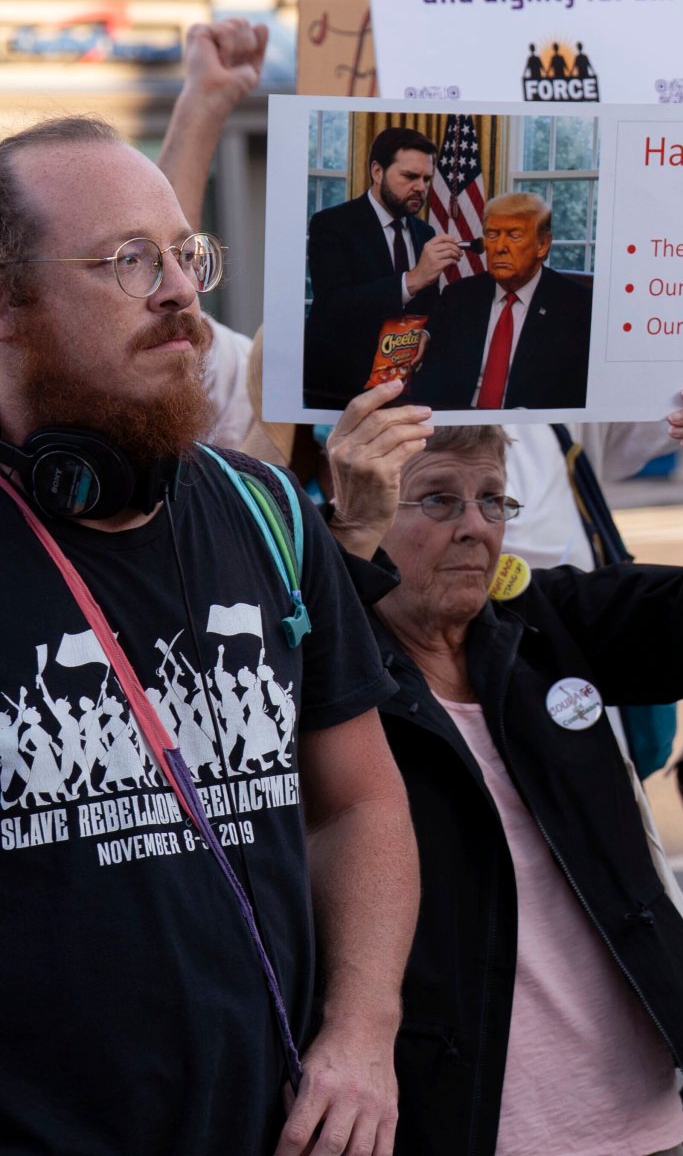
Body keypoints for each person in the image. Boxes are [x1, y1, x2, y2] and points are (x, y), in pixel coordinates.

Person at [0, 116, 416, 1155]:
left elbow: (359, 802)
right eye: (127, 261)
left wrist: (363, 1033)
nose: (182, 292)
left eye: (186, 254)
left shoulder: (268, 514)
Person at [319, 378, 683, 1156]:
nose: (475, 528)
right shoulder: (335, 667)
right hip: (457, 1117)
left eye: (493, 500)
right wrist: (342, 542)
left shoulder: (538, 623)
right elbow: (296, 668)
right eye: (438, 501)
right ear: (368, 508)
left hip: (633, 1115)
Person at [305, 123, 458, 408]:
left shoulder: (425, 233)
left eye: (426, 179)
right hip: (339, 390)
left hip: (405, 388)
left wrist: (426, 333)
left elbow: (431, 304)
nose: (420, 188)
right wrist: (411, 280)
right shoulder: (331, 224)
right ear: (377, 172)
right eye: (410, 176)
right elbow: (334, 305)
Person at [412, 192, 594, 411]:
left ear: (543, 245)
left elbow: (575, 398)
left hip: (529, 434)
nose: (499, 247)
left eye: (514, 235)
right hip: (460, 431)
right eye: (492, 234)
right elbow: (431, 385)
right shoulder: (458, 297)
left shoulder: (577, 306)